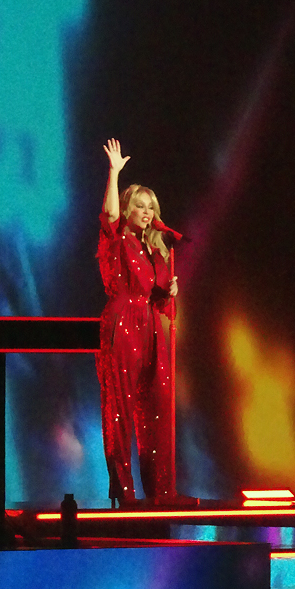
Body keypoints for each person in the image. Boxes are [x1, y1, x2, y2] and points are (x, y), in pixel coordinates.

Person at [97, 138, 186, 507]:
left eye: (151, 207)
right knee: (120, 408)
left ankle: (160, 492)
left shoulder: (154, 248)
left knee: (156, 408)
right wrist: (114, 173)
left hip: (150, 326)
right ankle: (125, 492)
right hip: (123, 323)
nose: (146, 212)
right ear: (127, 207)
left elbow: (160, 298)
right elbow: (109, 216)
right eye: (139, 205)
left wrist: (168, 291)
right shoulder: (117, 239)